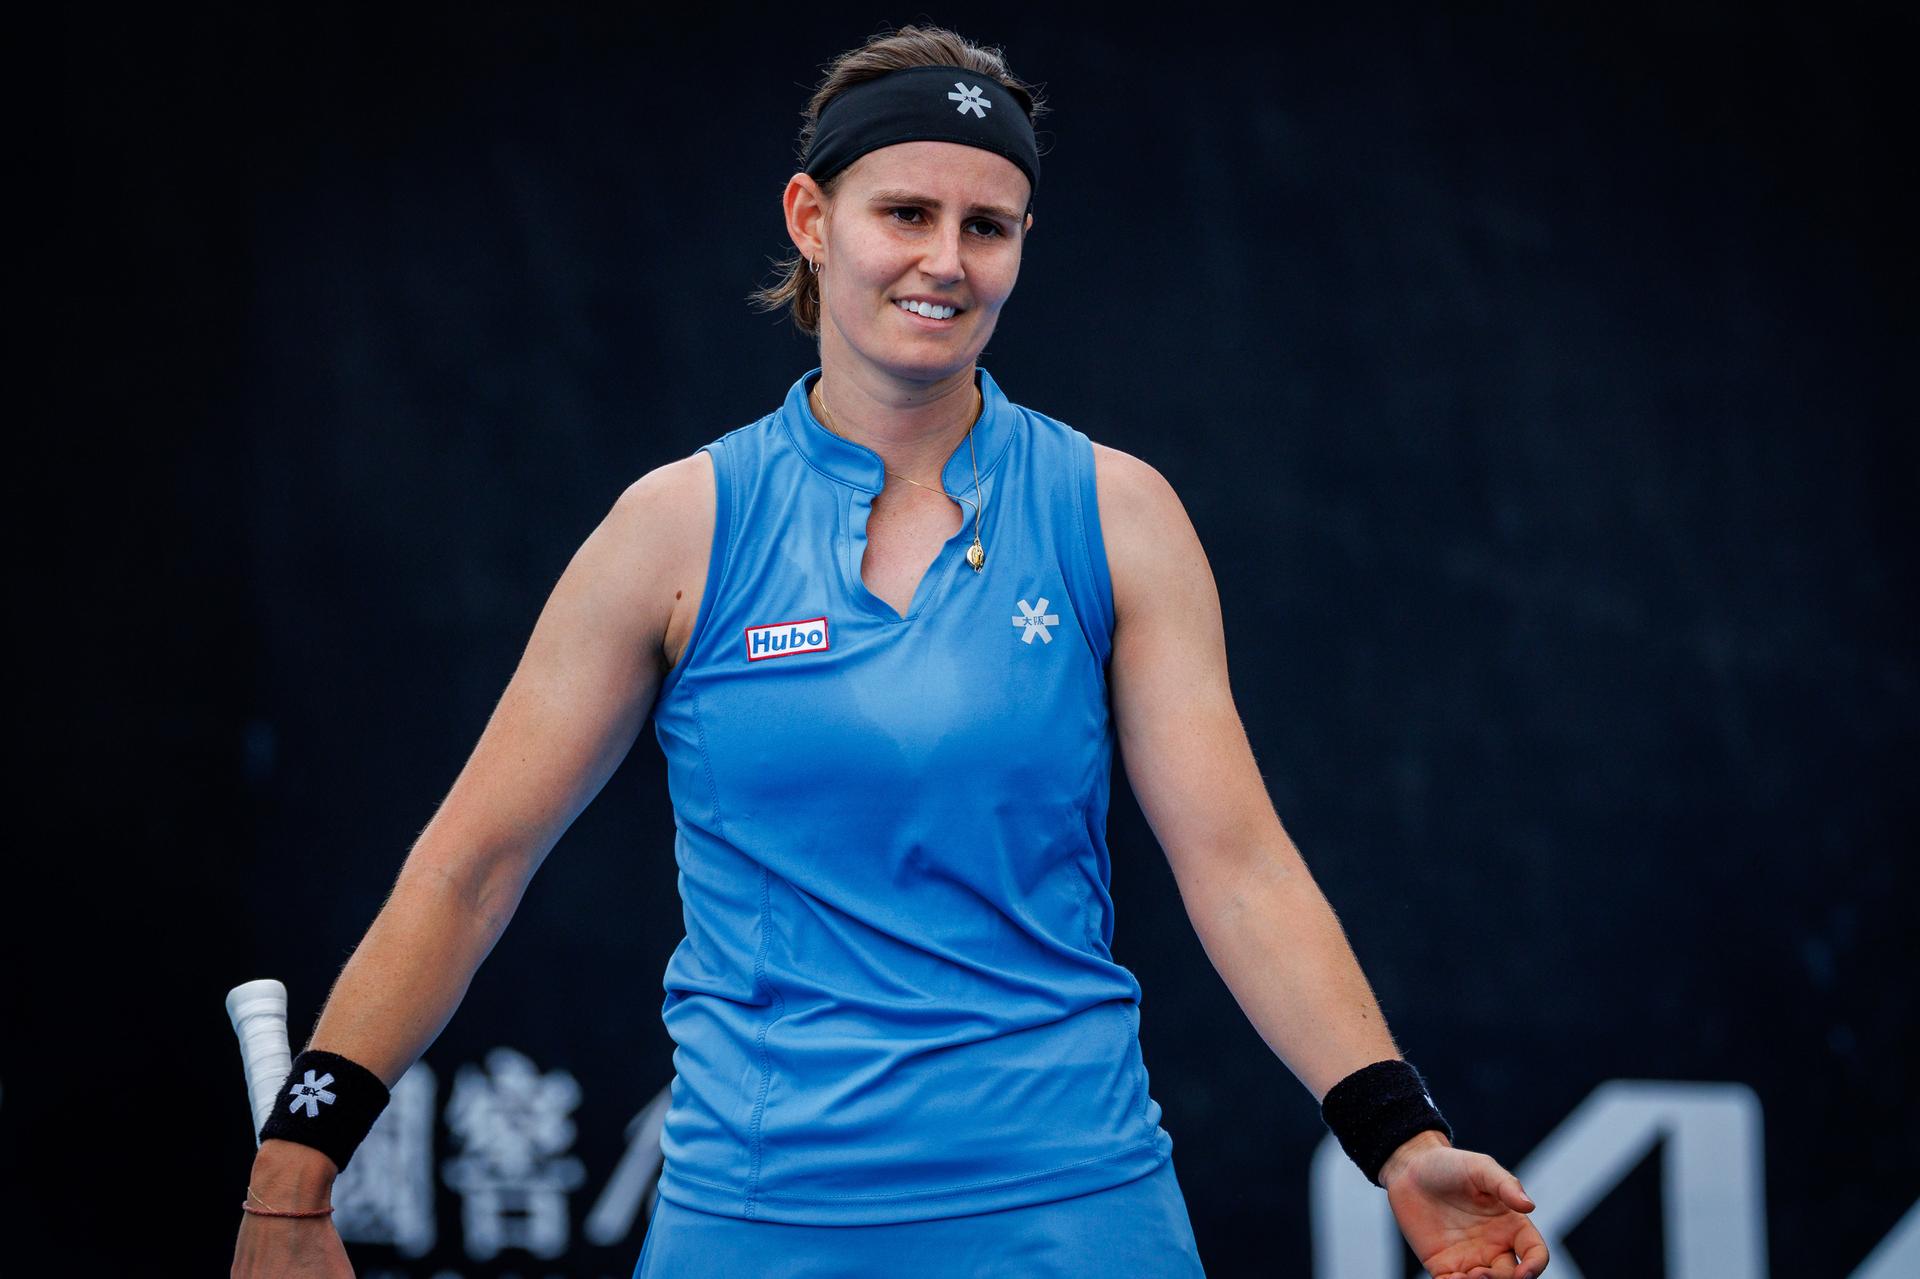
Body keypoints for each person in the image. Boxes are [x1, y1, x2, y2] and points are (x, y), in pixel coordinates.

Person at [232, 24, 1549, 1279]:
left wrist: (1402, 1139)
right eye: (905, 215)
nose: (946, 260)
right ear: (812, 219)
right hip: (756, 1222)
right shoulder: (675, 529)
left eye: (988, 227)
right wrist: (294, 1173)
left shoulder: (1117, 513)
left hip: (1072, 1214)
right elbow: (469, 869)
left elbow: (1239, 869)